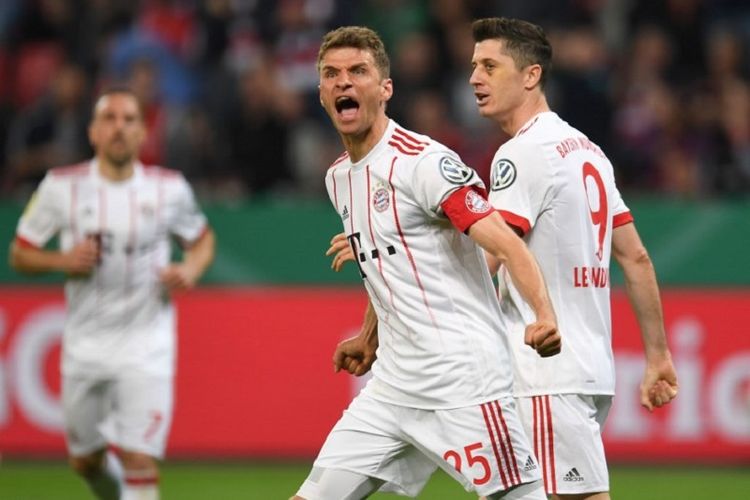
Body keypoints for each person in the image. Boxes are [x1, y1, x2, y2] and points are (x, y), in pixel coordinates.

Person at [328, 17, 680, 500]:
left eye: (490, 66)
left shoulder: (521, 155)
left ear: (530, 75)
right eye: (474, 66)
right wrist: (658, 354)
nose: (475, 78)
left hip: (542, 369)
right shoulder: (588, 151)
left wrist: (386, 235)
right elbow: (636, 258)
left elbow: (489, 251)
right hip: (593, 367)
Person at [293, 26, 561, 500]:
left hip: (464, 381)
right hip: (393, 389)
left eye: (358, 72)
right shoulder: (339, 178)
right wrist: (369, 337)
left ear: (385, 88)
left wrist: (544, 314)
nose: (344, 83)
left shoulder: (424, 164)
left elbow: (506, 243)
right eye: (331, 74)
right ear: (320, 92)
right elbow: (391, 261)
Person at [9, 87, 215, 500]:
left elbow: (202, 239)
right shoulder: (60, 187)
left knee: (139, 458)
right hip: (85, 345)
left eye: (128, 119)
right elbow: (19, 253)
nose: (119, 127)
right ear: (93, 132)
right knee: (85, 462)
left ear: (142, 132)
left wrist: (190, 269)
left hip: (147, 344)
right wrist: (62, 261)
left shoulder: (168, 189)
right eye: (109, 119)